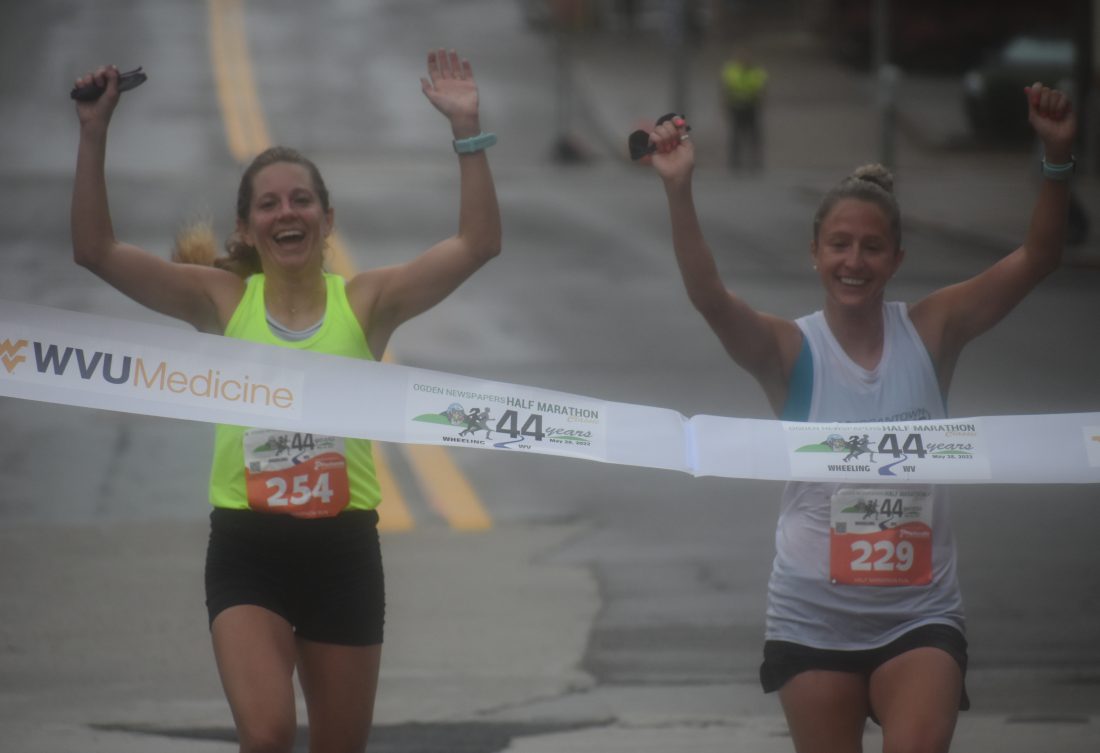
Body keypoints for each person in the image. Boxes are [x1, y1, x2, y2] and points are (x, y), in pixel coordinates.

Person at [70, 49, 501, 753]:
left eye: (301, 200)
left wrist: (467, 130)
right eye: (268, 203)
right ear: (246, 229)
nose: (286, 212)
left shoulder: (366, 304)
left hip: (344, 552)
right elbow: (95, 249)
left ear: (327, 219)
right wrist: (93, 132)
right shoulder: (220, 301)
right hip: (249, 549)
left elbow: (479, 243)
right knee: (267, 734)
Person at [645, 83, 1075, 752]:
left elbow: (1037, 258)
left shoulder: (934, 330)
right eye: (839, 245)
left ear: (896, 260)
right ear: (814, 254)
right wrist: (678, 189)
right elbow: (710, 297)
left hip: (919, 614)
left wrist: (1056, 158)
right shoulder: (790, 351)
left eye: (871, 247)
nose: (854, 261)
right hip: (813, 620)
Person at [720, 50, 767, 172]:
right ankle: (734, 162)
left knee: (754, 135)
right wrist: (725, 105)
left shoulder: (757, 72)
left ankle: (756, 161)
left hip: (751, 107)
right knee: (736, 136)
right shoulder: (731, 71)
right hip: (736, 107)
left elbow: (762, 89)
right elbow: (725, 89)